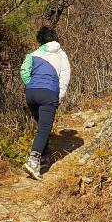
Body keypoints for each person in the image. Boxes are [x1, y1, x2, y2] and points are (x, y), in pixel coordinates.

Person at [19, 26, 71, 180]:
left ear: (40, 40)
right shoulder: (62, 55)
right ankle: (33, 161)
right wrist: (58, 96)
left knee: (43, 127)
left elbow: (23, 71)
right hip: (48, 94)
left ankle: (44, 157)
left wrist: (31, 84)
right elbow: (65, 77)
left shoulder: (33, 54)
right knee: (44, 129)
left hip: (32, 94)